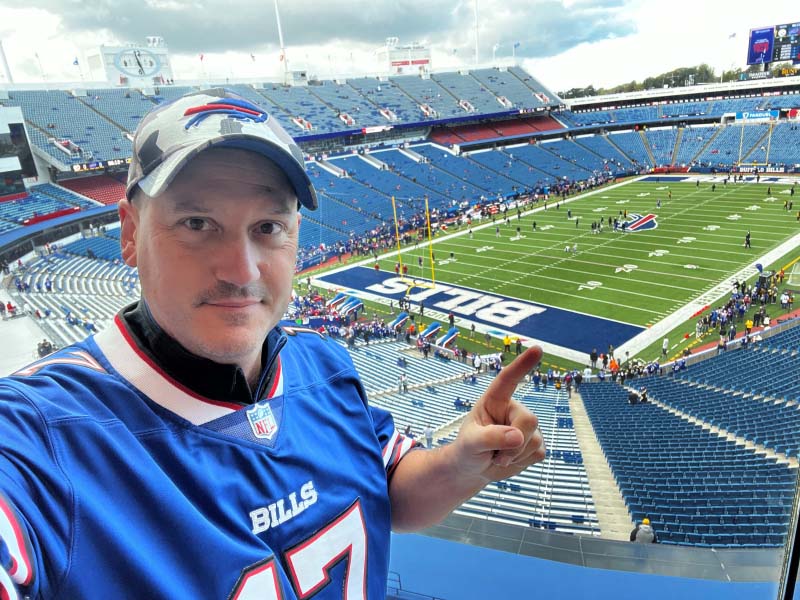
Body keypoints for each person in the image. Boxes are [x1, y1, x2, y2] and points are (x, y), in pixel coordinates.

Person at [0, 89, 546, 599]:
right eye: (196, 223)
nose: (241, 271)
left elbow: (385, 488)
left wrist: (460, 465)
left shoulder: (322, 363)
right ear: (128, 233)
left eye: (267, 227)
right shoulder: (39, 435)